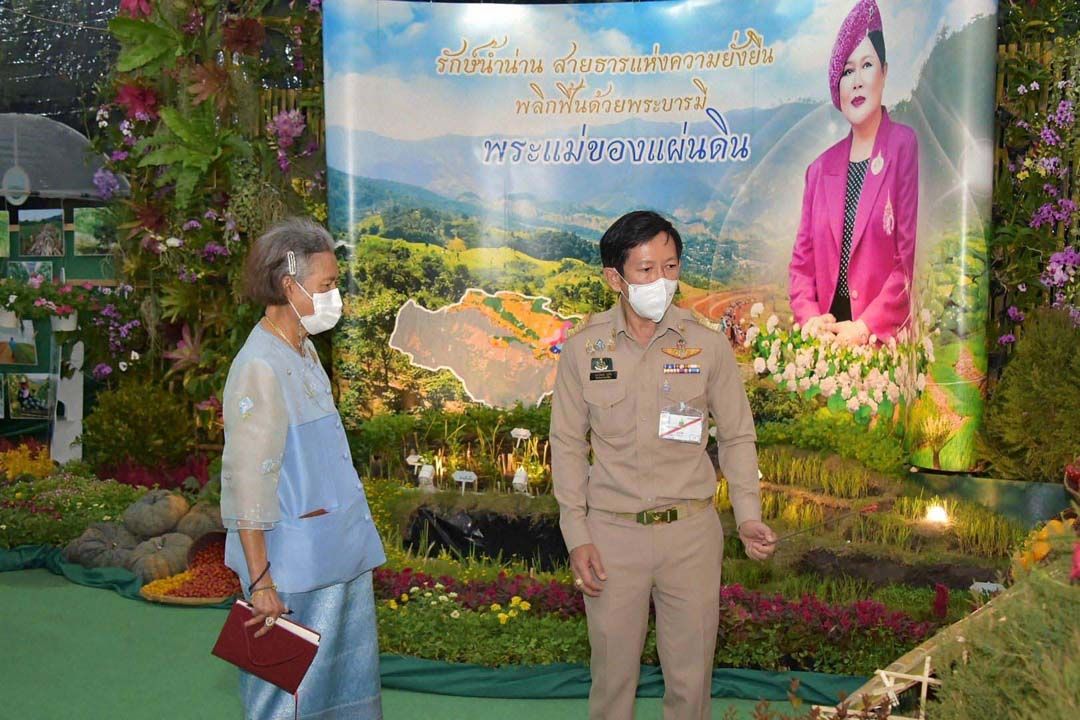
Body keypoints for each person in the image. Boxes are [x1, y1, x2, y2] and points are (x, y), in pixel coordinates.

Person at [551, 210, 776, 720]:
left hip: (690, 536)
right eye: (646, 270)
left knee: (691, 682)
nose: (662, 281)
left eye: (671, 267)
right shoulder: (585, 350)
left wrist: (747, 515)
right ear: (615, 277)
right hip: (612, 538)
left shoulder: (707, 345)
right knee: (612, 682)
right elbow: (565, 443)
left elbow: (738, 435)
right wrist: (576, 533)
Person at [220, 217, 385, 719]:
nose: (337, 297)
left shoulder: (304, 348)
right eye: (328, 286)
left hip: (340, 555)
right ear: (288, 285)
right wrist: (261, 580)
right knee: (281, 698)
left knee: (342, 690)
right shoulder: (259, 365)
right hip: (289, 571)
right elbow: (247, 481)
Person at [788, 0, 918, 344]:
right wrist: (810, 319)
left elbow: (907, 259)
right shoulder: (819, 169)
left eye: (866, 66)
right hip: (828, 341)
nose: (857, 81)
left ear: (884, 72)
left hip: (876, 339)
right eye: (847, 71)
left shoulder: (903, 146)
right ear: (837, 86)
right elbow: (802, 265)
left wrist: (864, 328)